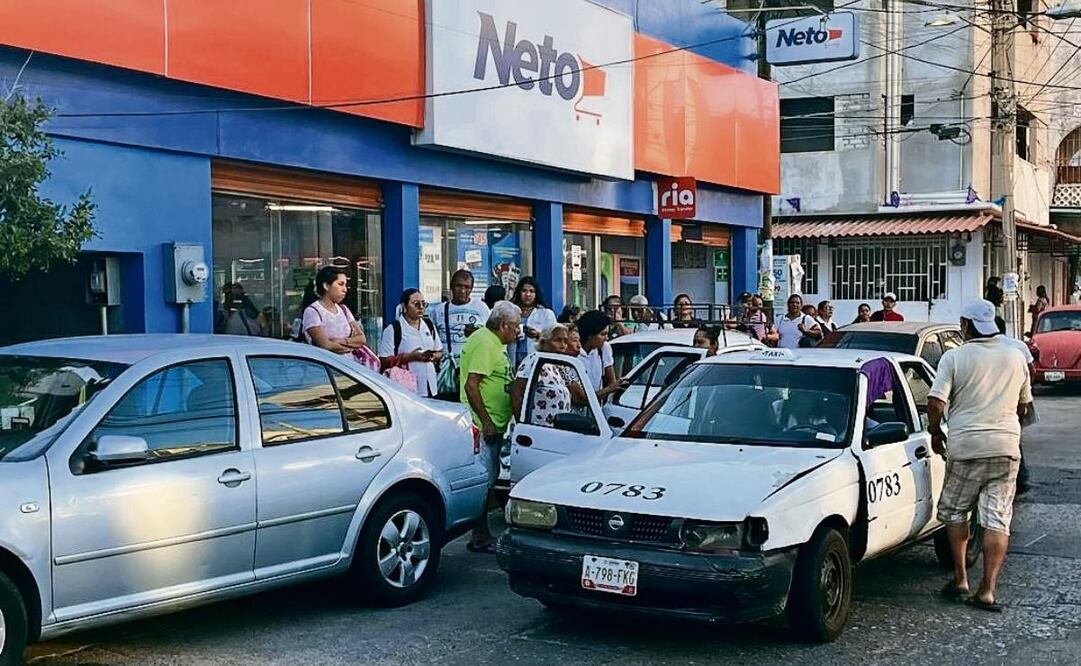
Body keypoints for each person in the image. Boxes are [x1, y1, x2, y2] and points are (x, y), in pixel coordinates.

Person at [928, 299, 1033, 612]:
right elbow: (1024, 406)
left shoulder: (955, 357)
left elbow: (935, 403)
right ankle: (987, 590)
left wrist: (936, 432)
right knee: (997, 518)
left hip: (966, 448)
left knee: (956, 512)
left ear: (965, 325)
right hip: (1006, 449)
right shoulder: (1015, 356)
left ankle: (961, 579)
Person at [459, 301, 521, 553]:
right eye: (515, 326)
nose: (518, 331)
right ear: (504, 325)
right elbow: (471, 385)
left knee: (490, 478)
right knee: (484, 482)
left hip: (495, 422)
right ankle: (480, 535)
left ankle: (481, 534)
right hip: (483, 424)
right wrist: (485, 421)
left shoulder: (495, 343)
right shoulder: (485, 342)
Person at [430, 270, 490, 399]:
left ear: (472, 289)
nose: (463, 290)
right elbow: (433, 338)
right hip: (448, 369)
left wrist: (477, 333)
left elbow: (490, 336)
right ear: (451, 286)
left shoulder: (481, 307)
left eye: (467, 287)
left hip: (473, 369)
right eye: (459, 286)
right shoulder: (439, 310)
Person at [511, 323, 587, 426]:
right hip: (535, 432)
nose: (563, 345)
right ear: (543, 342)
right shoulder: (535, 360)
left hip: (553, 433)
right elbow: (516, 393)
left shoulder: (558, 365)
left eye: (565, 341)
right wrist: (522, 425)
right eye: (558, 340)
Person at [378, 289, 443, 398]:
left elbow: (439, 350)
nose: (421, 307)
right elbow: (384, 361)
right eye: (416, 304)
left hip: (431, 386)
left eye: (423, 304)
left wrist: (434, 356)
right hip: (407, 388)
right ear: (404, 306)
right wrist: (411, 357)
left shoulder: (428, 325)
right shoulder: (394, 329)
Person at [996, 316, 1034, 496]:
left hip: (994, 398)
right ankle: (1020, 478)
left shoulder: (973, 348)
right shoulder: (1018, 346)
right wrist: (1025, 392)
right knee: (1014, 437)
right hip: (1016, 397)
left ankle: (1018, 478)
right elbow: (1031, 371)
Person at [302, 267, 370, 356]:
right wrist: (351, 345)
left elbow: (362, 339)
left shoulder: (344, 309)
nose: (345, 289)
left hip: (350, 365)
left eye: (345, 285)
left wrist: (340, 341)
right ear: (326, 286)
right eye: (340, 284)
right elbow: (325, 345)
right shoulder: (313, 312)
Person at [576, 310, 626, 400]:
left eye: (607, 334)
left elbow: (611, 380)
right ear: (590, 335)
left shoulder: (604, 348)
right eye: (602, 334)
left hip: (597, 404)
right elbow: (580, 398)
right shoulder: (574, 351)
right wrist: (609, 389)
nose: (606, 338)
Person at [510, 277, 558, 367]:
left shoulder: (546, 313)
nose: (528, 294)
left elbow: (555, 339)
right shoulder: (510, 311)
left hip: (536, 360)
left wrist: (538, 335)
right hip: (513, 358)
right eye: (524, 291)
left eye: (531, 291)